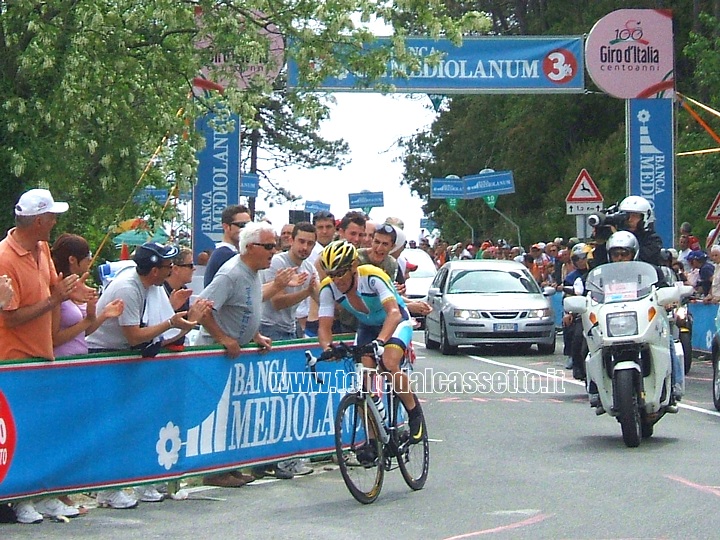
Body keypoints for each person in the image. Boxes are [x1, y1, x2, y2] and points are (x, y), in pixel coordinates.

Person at [87, 243, 212, 505]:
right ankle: (107, 490)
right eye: (168, 266)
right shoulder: (129, 288)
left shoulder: (150, 287)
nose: (171, 270)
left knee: (135, 421)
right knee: (114, 425)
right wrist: (173, 321)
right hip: (105, 356)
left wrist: (187, 321)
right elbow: (135, 336)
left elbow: (164, 336)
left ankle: (139, 481)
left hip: (123, 358)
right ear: (154, 270)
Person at [0, 189, 92, 523]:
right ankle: (20, 498)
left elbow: (55, 286)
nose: (55, 222)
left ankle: (45, 493)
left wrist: (74, 290)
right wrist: (55, 301)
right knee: (21, 432)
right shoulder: (4, 258)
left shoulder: (40, 248)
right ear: (38, 220)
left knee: (44, 430)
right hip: (15, 361)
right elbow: (9, 318)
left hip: (42, 356)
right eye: (51, 216)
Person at [197, 222, 292, 485]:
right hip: (215, 354)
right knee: (218, 410)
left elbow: (246, 305)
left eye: (275, 246)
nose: (274, 252)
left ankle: (230, 465)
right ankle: (214, 471)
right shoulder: (231, 274)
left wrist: (255, 335)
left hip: (235, 353)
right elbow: (202, 308)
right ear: (250, 248)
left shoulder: (253, 272)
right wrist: (223, 338)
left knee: (233, 411)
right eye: (269, 246)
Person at [317, 241, 424, 445]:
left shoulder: (372, 276)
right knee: (362, 387)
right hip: (367, 327)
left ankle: (414, 413)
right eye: (331, 274)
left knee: (388, 363)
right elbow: (324, 327)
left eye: (340, 272)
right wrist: (327, 348)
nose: (336, 279)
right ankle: (374, 440)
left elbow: (393, 313)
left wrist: (381, 341)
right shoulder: (328, 288)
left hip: (395, 322)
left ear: (353, 267)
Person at [259, 222, 319, 478]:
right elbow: (277, 301)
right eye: (301, 242)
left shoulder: (308, 267)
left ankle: (285, 457)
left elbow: (321, 297)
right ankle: (269, 458)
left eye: (310, 243)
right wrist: (306, 291)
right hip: (269, 329)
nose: (305, 247)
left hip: (291, 330)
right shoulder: (278, 264)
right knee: (270, 394)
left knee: (289, 394)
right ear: (291, 241)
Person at [51, 233, 125, 357]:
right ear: (72, 260)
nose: (90, 259)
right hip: (62, 363)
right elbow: (55, 339)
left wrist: (103, 315)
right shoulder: (58, 290)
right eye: (87, 255)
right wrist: (88, 320)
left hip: (79, 360)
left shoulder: (77, 287)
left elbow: (81, 332)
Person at [203, 204, 252, 287]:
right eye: (242, 225)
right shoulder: (224, 255)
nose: (247, 229)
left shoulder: (226, 252)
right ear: (226, 227)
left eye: (249, 225)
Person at [163, 247, 196, 347]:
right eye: (190, 265)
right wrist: (192, 321)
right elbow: (162, 338)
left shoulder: (183, 290)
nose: (194, 268)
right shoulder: (159, 291)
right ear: (176, 269)